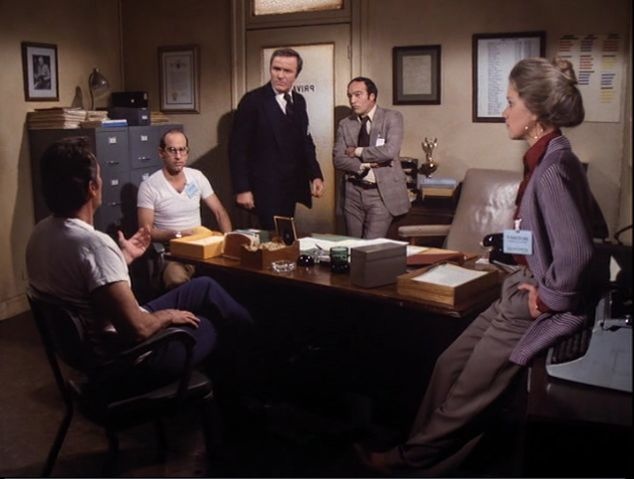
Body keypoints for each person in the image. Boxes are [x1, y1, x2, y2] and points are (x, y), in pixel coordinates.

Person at [355, 57, 609, 475]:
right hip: (516, 285)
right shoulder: (547, 156)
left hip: (531, 300)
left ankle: (407, 462)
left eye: (510, 102)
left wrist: (548, 300)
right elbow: (558, 231)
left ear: (535, 110)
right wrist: (508, 249)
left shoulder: (552, 169)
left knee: (467, 395)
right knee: (448, 365)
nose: (504, 112)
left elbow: (578, 250)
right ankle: (420, 453)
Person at [27, 137, 252, 395]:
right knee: (209, 325)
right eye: (99, 176)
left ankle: (248, 340)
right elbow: (138, 329)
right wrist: (169, 316)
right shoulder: (95, 245)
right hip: (126, 360)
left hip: (94, 347)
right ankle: (247, 374)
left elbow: (85, 280)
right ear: (92, 188)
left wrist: (123, 257)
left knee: (204, 287)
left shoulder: (40, 233)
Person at [229, 48, 325, 230]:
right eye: (276, 69)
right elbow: (237, 148)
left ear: (296, 74)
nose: (280, 75)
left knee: (284, 236)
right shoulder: (253, 101)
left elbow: (305, 141)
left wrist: (315, 175)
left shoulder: (299, 101)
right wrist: (242, 189)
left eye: (287, 71)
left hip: (291, 186)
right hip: (264, 188)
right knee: (270, 238)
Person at [138, 129, 232, 289]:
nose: (178, 156)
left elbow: (219, 212)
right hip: (174, 252)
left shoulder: (197, 177)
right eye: (172, 150)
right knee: (176, 279)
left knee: (232, 276)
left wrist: (228, 241)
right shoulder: (149, 186)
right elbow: (146, 232)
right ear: (161, 153)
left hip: (202, 247)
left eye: (182, 150)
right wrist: (178, 234)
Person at [333, 77, 410, 238]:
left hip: (381, 194)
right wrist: (361, 168)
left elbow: (390, 151)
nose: (352, 101)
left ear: (372, 96)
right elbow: (338, 159)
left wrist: (357, 151)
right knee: (352, 244)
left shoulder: (392, 117)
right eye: (350, 96)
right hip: (352, 193)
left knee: (371, 247)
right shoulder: (345, 124)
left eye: (358, 95)